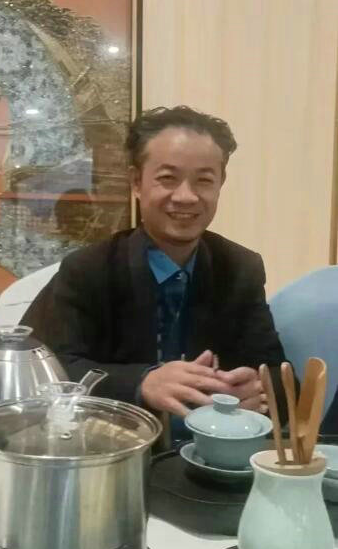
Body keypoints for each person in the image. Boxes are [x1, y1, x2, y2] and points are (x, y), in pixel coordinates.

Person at [22, 105, 289, 434]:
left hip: (208, 450)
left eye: (204, 180)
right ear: (136, 182)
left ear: (221, 183)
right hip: (115, 446)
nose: (186, 196)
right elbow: (47, 370)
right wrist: (142, 382)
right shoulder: (88, 270)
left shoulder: (240, 268)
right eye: (167, 179)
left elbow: (279, 374)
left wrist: (258, 390)